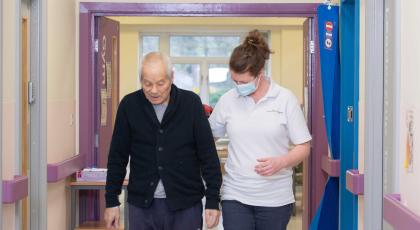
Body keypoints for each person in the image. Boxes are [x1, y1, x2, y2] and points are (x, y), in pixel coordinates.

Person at [104, 52, 222, 230]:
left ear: (171, 77)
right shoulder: (129, 106)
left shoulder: (191, 104)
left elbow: (208, 156)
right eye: (147, 84)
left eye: (161, 83)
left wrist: (213, 200)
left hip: (186, 205)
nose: (154, 90)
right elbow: (117, 158)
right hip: (142, 206)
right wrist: (112, 200)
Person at [209, 30, 312, 230]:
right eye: (234, 80)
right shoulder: (228, 100)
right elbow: (208, 137)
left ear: (260, 72)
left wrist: (281, 162)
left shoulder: (285, 99)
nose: (238, 86)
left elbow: (303, 146)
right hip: (235, 194)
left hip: (275, 199)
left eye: (244, 82)